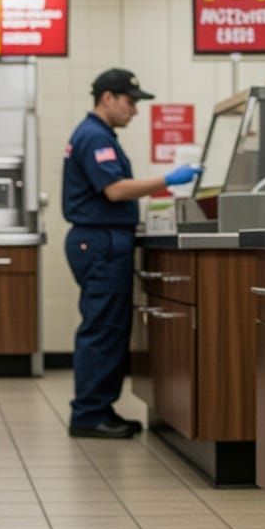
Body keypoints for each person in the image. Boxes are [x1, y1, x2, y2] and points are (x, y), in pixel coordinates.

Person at [62, 69, 199, 439]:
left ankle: (97, 408)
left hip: (101, 240)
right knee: (103, 328)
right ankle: (89, 415)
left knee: (107, 327)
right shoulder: (94, 136)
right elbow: (115, 190)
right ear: (107, 97)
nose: (135, 110)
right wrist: (168, 180)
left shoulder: (98, 135)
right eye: (130, 101)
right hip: (100, 241)